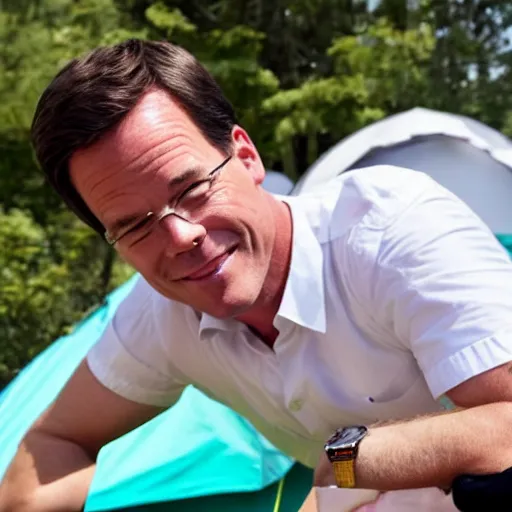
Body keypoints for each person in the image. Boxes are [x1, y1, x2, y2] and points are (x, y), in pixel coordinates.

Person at [2, 38, 512, 512]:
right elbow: (50, 447)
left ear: (246, 156)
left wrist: (351, 456)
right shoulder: (161, 314)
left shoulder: (392, 229)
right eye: (135, 225)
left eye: (192, 189)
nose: (180, 237)